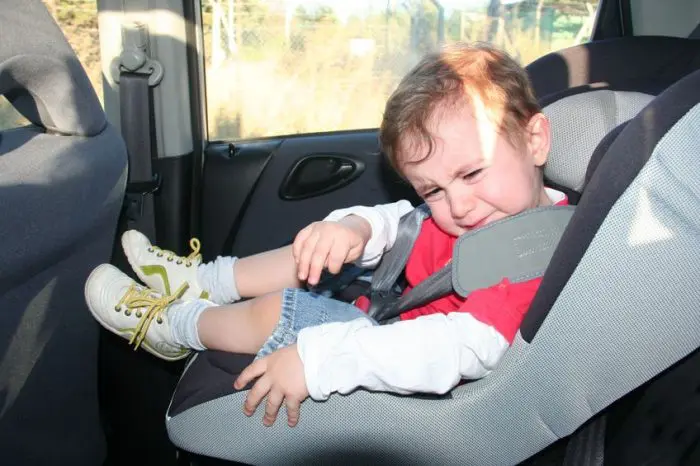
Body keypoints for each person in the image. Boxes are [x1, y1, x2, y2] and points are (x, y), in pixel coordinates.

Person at [85, 42, 568, 428]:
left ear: (535, 140)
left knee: (282, 308)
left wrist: (320, 361)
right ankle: (206, 280)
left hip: (395, 352)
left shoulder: (534, 257)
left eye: (472, 173)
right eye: (434, 188)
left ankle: (177, 325)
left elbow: (459, 347)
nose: (459, 206)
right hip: (392, 311)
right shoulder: (492, 210)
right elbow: (407, 222)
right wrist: (353, 228)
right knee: (312, 252)